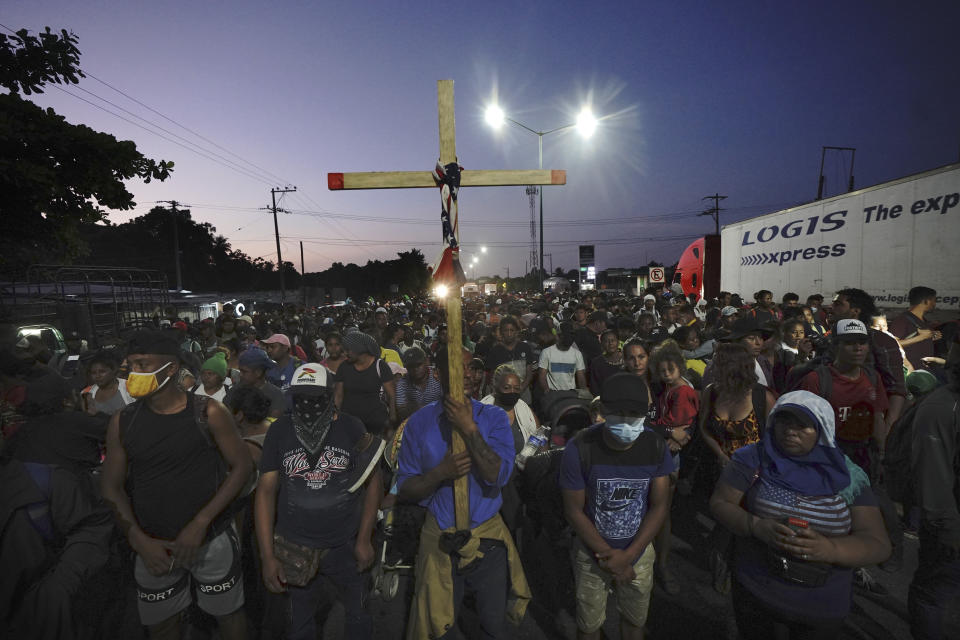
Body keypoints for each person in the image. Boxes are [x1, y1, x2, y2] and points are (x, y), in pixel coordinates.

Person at [99, 330, 252, 640]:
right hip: (153, 547)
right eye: (130, 366)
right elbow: (110, 487)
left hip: (211, 540)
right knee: (162, 624)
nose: (133, 373)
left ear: (170, 369)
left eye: (142, 365)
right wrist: (139, 540)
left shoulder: (208, 412)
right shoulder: (122, 421)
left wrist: (200, 523)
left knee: (228, 617)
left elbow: (242, 467)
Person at [709, 391, 891, 640]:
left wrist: (830, 549)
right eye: (784, 421)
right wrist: (755, 526)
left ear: (823, 430)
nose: (790, 431)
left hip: (821, 605)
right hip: (756, 590)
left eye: (803, 425)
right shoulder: (753, 458)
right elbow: (720, 502)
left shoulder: (848, 476)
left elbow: (878, 543)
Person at [398, 347, 531, 640]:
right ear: (439, 374)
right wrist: (439, 473)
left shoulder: (495, 418)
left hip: (487, 541)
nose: (468, 375)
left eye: (473, 368)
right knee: (440, 627)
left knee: (492, 625)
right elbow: (405, 487)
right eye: (459, 368)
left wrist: (469, 428)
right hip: (440, 541)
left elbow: (496, 475)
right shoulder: (419, 423)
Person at [255, 363, 384, 640]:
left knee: (359, 616)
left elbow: (374, 482)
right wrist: (267, 556)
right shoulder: (279, 431)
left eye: (316, 398)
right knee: (299, 625)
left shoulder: (351, 427)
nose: (309, 405)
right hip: (294, 545)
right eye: (301, 398)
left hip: (345, 545)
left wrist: (364, 539)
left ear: (330, 395)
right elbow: (265, 492)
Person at [560, 373, 673, 640]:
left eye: (634, 414)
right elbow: (573, 511)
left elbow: (659, 506)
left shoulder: (655, 445)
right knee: (588, 625)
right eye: (618, 413)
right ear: (603, 411)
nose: (626, 421)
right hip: (591, 554)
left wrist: (629, 555)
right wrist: (610, 556)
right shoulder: (579, 448)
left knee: (635, 621)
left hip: (639, 551)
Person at [909, 351, 960, 639]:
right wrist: (947, 532)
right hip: (950, 531)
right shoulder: (941, 408)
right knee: (934, 596)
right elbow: (934, 478)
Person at [647, 341, 700, 594]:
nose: (666, 374)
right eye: (662, 370)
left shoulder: (681, 391)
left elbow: (678, 423)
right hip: (662, 449)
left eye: (671, 369)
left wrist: (663, 427)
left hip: (667, 454)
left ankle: (660, 564)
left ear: (680, 367)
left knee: (661, 509)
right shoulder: (670, 389)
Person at [481, 364, 540, 534]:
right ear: (495, 388)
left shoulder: (522, 408)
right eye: (506, 388)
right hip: (492, 474)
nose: (512, 392)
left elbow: (539, 435)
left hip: (522, 471)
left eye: (516, 388)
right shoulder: (484, 409)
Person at [334, 331, 397, 436]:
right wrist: (336, 419)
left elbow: (392, 396)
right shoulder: (344, 367)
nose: (345, 354)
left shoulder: (380, 366)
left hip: (376, 424)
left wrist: (392, 421)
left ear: (359, 349)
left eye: (348, 350)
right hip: (349, 424)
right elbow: (338, 396)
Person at [889, 286, 943, 371]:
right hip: (909, 374)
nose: (935, 304)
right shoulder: (902, 320)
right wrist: (921, 337)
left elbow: (915, 340)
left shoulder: (923, 321)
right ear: (926, 301)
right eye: (934, 300)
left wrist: (930, 338)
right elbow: (892, 344)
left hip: (923, 372)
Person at [485, 316, 537, 404]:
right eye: (506, 330)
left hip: (523, 394)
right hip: (503, 396)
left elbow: (529, 374)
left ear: (517, 331)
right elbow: (493, 376)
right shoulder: (495, 350)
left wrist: (520, 389)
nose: (509, 334)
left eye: (512, 330)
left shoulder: (525, 347)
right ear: (501, 332)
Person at [226, 347, 285, 419]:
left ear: (258, 372)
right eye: (240, 370)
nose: (240, 375)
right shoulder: (233, 392)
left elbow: (273, 426)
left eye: (244, 371)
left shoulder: (277, 396)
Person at [538, 322, 588, 393]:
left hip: (570, 394)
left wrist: (584, 392)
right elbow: (542, 377)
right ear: (559, 336)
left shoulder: (577, 354)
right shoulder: (546, 352)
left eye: (572, 334)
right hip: (553, 394)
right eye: (567, 334)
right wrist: (547, 391)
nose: (570, 337)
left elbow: (581, 378)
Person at [395, 347, 443, 420]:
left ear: (426, 361)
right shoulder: (403, 383)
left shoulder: (438, 376)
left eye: (418, 365)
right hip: (415, 422)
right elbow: (401, 410)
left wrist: (414, 408)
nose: (415, 369)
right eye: (410, 366)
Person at [82, 349, 133, 415]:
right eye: (93, 373)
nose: (98, 376)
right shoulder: (86, 393)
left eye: (102, 371)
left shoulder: (130, 386)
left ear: (113, 370)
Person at [589, 329, 623, 396]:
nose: (610, 343)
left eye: (613, 340)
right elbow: (594, 388)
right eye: (606, 341)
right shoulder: (596, 363)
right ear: (601, 344)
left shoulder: (628, 358)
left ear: (618, 342)